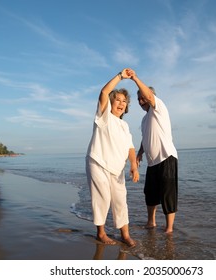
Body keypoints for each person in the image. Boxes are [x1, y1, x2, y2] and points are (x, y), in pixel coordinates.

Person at [86, 69, 139, 247]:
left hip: (117, 169)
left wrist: (134, 164)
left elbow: (131, 147)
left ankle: (125, 235)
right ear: (111, 102)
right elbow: (103, 92)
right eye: (118, 100)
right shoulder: (104, 116)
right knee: (102, 198)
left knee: (120, 200)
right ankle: (101, 233)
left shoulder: (124, 125)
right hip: (98, 162)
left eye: (124, 101)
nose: (121, 103)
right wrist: (120, 76)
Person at [127, 68, 178, 233]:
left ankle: (169, 228)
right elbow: (145, 138)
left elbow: (149, 95)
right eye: (138, 100)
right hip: (152, 162)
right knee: (149, 194)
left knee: (168, 194)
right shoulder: (144, 120)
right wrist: (140, 153)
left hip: (166, 157)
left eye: (143, 98)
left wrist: (135, 78)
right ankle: (151, 222)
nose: (141, 101)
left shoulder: (159, 107)